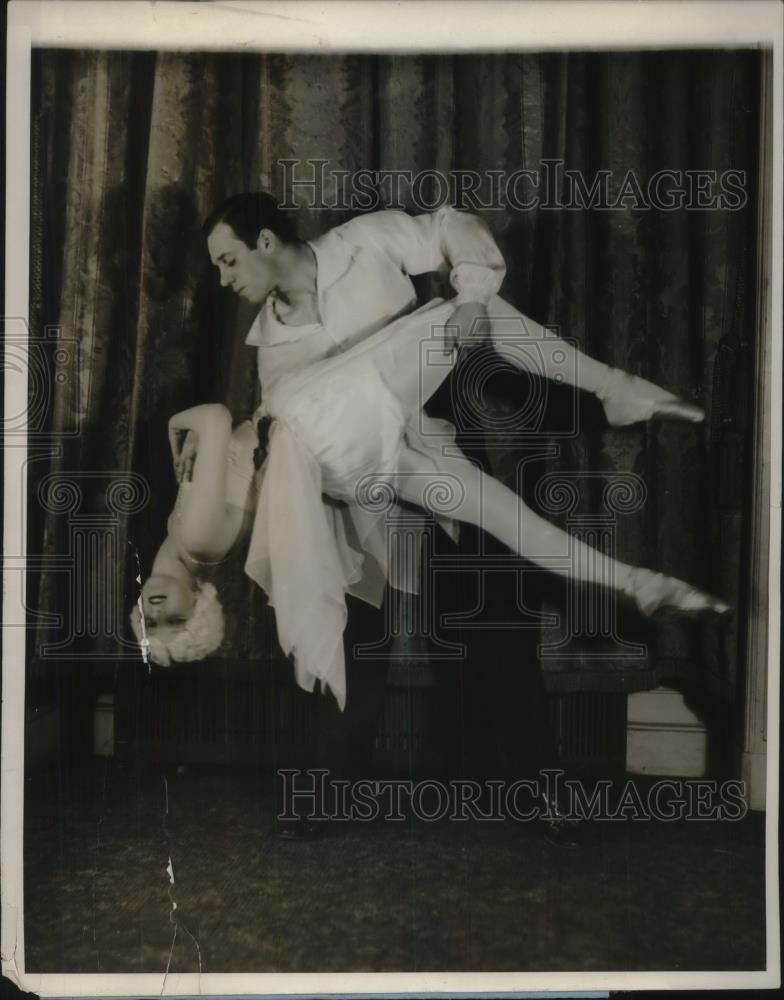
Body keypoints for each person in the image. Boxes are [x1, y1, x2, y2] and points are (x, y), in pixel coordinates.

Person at [193, 193, 727, 713]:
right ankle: (615, 388)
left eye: (228, 261)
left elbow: (451, 226)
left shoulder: (361, 243)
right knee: (459, 314)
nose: (225, 279)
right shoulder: (271, 342)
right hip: (341, 455)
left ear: (265, 240)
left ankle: (634, 582)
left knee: (497, 509)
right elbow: (280, 425)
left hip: (389, 445)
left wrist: (471, 301)